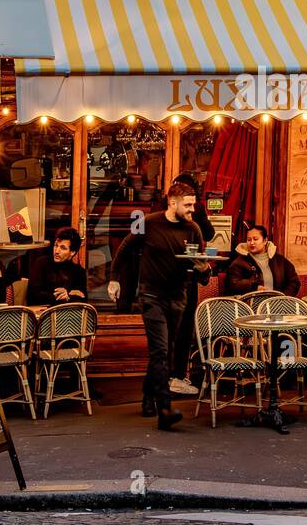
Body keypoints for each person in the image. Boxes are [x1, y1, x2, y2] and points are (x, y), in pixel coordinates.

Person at [108, 182, 208, 430]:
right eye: (188, 204)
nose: (192, 209)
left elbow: (202, 267)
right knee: (161, 351)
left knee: (164, 351)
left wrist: (203, 269)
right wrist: (114, 279)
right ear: (172, 203)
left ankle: (147, 396)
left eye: (193, 204)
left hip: (178, 297)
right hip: (151, 296)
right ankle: (164, 408)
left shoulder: (193, 229)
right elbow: (123, 249)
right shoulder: (148, 222)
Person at [168, 172, 215, 398]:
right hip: (167, 279)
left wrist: (200, 213)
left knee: (185, 328)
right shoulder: (163, 213)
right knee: (168, 331)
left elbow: (210, 233)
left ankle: (178, 374)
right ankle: (168, 376)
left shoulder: (196, 214)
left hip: (189, 278)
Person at [223, 224, 301, 296]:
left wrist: (284, 298)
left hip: (278, 305)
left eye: (255, 239)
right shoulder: (239, 262)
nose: (252, 243)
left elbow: (294, 282)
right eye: (249, 240)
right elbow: (232, 284)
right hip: (250, 305)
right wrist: (254, 288)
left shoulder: (280, 261)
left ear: (265, 240)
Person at [26, 228, 88, 307]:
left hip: (67, 315)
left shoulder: (79, 271)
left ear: (72, 252)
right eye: (56, 245)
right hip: (44, 314)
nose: (57, 251)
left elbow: (83, 299)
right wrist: (63, 296)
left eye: (63, 248)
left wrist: (67, 295)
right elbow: (32, 296)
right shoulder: (41, 263)